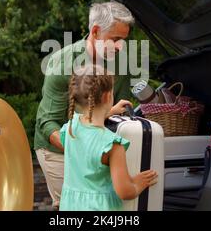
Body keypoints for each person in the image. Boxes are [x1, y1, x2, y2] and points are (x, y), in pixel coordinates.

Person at [34, 1, 136, 209]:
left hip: (101, 147)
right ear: (96, 31)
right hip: (58, 150)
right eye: (115, 39)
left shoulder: (121, 61)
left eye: (123, 41)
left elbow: (120, 115)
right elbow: (47, 123)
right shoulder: (63, 64)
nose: (120, 47)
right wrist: (84, 151)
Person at [59, 65, 158, 211]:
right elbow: (124, 192)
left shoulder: (69, 128)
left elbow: (87, 130)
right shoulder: (112, 145)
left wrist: (110, 111)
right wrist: (138, 183)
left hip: (70, 206)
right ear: (107, 96)